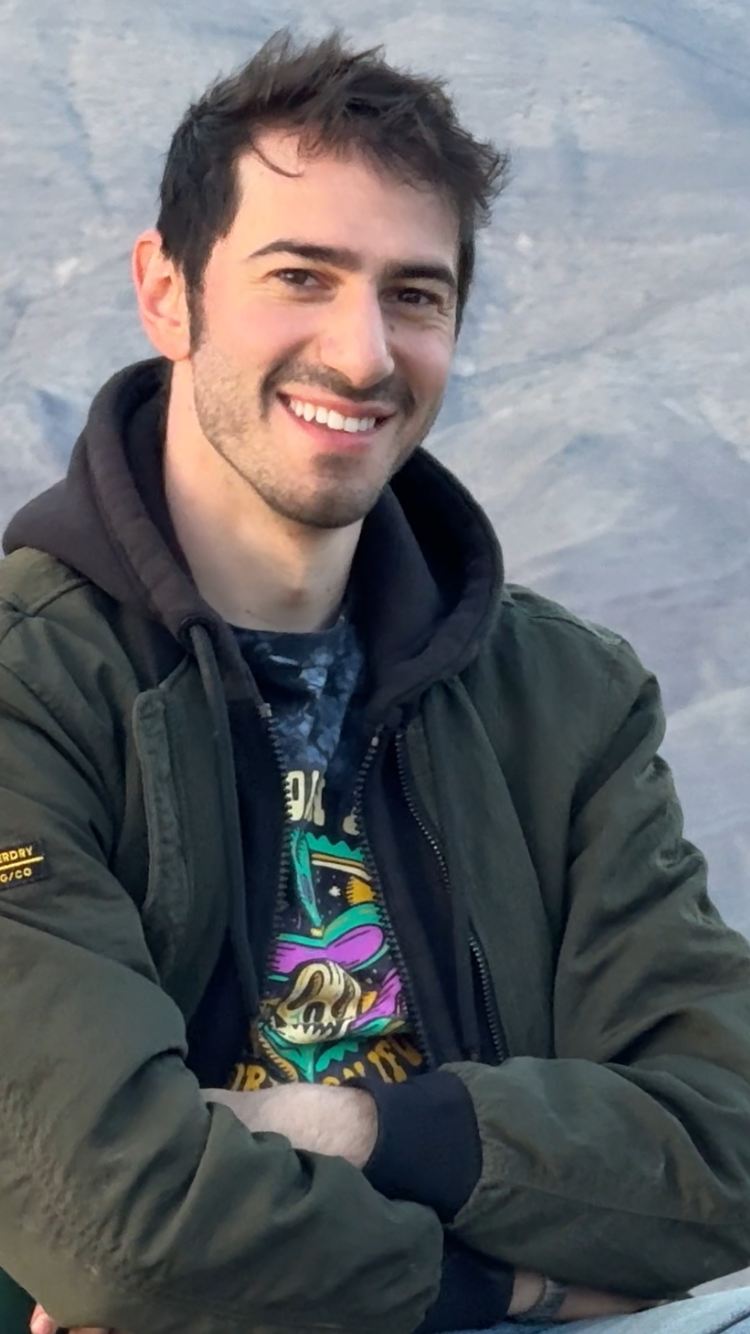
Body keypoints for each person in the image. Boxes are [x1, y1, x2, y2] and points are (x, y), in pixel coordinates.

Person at [1, 27, 750, 1334]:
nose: (361, 354)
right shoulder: (31, 691)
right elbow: (118, 1218)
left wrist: (361, 1123)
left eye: (413, 295)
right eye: (301, 276)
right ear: (164, 290)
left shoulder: (563, 699)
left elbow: (729, 1135)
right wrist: (498, 1285)